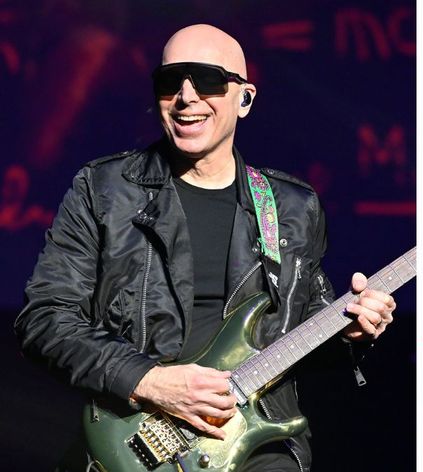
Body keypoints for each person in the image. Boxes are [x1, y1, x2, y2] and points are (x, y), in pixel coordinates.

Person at [15, 24, 396, 471]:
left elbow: (299, 331)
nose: (187, 96)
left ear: (245, 98)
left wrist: (349, 331)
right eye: (170, 82)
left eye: (208, 80)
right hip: (136, 436)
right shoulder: (104, 190)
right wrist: (149, 381)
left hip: (257, 442)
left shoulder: (293, 205)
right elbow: (45, 318)